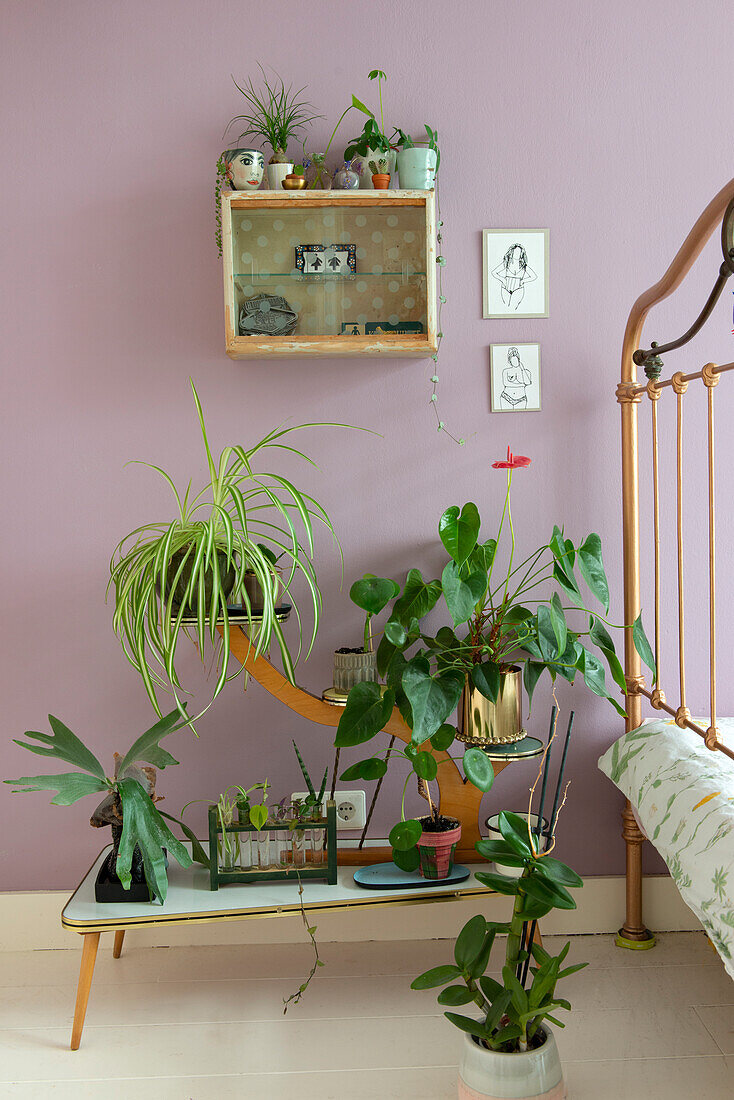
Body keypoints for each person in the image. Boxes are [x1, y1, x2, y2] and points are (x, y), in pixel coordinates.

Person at [491, 243, 538, 311]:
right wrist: (502, 279)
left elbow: (534, 276)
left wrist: (523, 281)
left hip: (518, 289)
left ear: (522, 254)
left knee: (513, 308)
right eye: (515, 252)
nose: (517, 254)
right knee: (505, 307)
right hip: (505, 288)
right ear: (511, 252)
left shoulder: (524, 266)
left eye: (519, 252)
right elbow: (493, 272)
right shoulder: (506, 264)